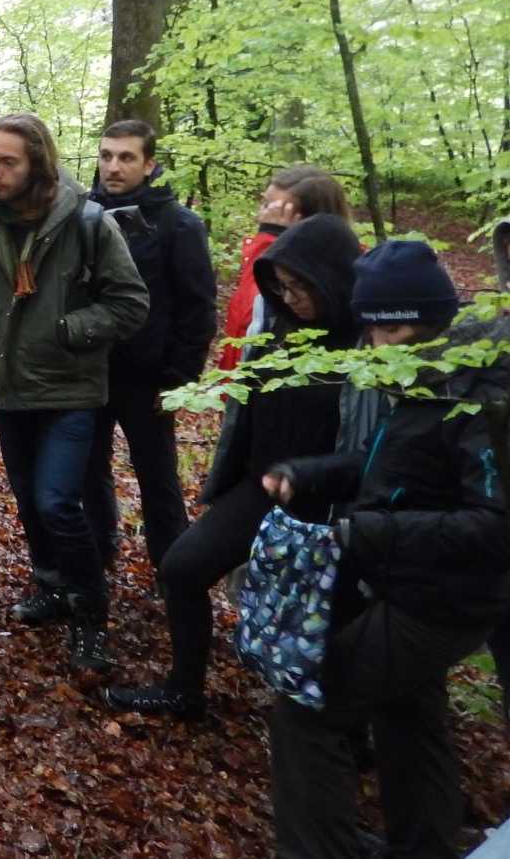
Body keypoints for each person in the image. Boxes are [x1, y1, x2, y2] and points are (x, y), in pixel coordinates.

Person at [260, 241, 509, 858]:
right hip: (409, 585)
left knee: (303, 712)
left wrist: (366, 534)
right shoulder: (422, 383)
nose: (380, 347)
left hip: (441, 600)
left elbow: (493, 525)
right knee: (407, 711)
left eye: (395, 329)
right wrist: (311, 474)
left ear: (435, 322)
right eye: (371, 331)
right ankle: (423, 844)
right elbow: (390, 467)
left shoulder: (475, 395)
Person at [103, 213, 362, 719]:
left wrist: (312, 474)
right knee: (181, 568)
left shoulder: (366, 348)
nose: (290, 297)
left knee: (336, 619)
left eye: (301, 286)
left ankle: (345, 724)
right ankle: (185, 689)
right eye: (282, 285)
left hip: (332, 507)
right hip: (262, 488)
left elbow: (375, 446)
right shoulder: (281, 333)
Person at [0, 113, 148, 673]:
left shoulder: (87, 223)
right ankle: (51, 586)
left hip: (69, 388)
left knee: (58, 500)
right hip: (7, 382)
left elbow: (130, 303)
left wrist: (65, 330)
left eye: (7, 161)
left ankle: (91, 614)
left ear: (37, 161)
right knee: (28, 498)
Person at [83, 120, 217, 574]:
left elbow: (197, 309)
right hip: (91, 369)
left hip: (150, 377)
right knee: (88, 471)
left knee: (157, 477)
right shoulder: (84, 215)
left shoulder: (178, 224)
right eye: (106, 156)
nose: (113, 167)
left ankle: (173, 570)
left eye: (126, 157)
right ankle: (98, 558)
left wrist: (178, 379)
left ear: (149, 163)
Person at [218, 166, 351, 370]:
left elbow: (254, 313)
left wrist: (271, 240)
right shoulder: (267, 265)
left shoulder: (339, 272)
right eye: (263, 204)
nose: (260, 216)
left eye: (272, 208)